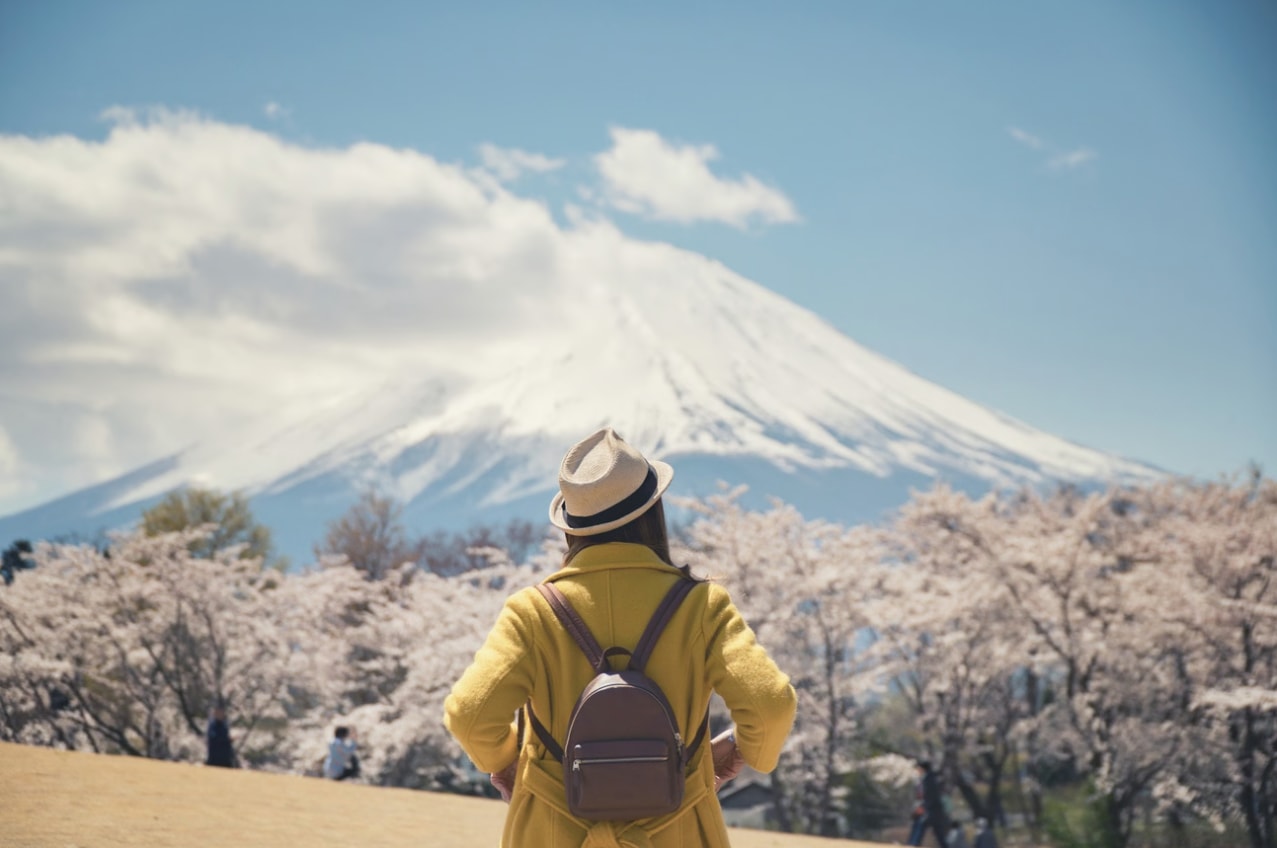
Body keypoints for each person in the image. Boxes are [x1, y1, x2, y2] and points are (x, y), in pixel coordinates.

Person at [444, 427, 797, 848]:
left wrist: (507, 763)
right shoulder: (702, 605)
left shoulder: (532, 611)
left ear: (571, 527)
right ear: (653, 513)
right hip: (677, 830)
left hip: (552, 832)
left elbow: (470, 714)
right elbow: (771, 705)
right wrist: (741, 751)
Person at [907, 759, 949, 847]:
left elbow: (930, 797)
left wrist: (923, 807)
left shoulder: (928, 780)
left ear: (922, 769)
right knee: (938, 833)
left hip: (931, 811)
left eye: (918, 768)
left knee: (921, 825)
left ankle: (914, 844)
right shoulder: (930, 778)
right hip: (934, 811)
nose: (917, 770)